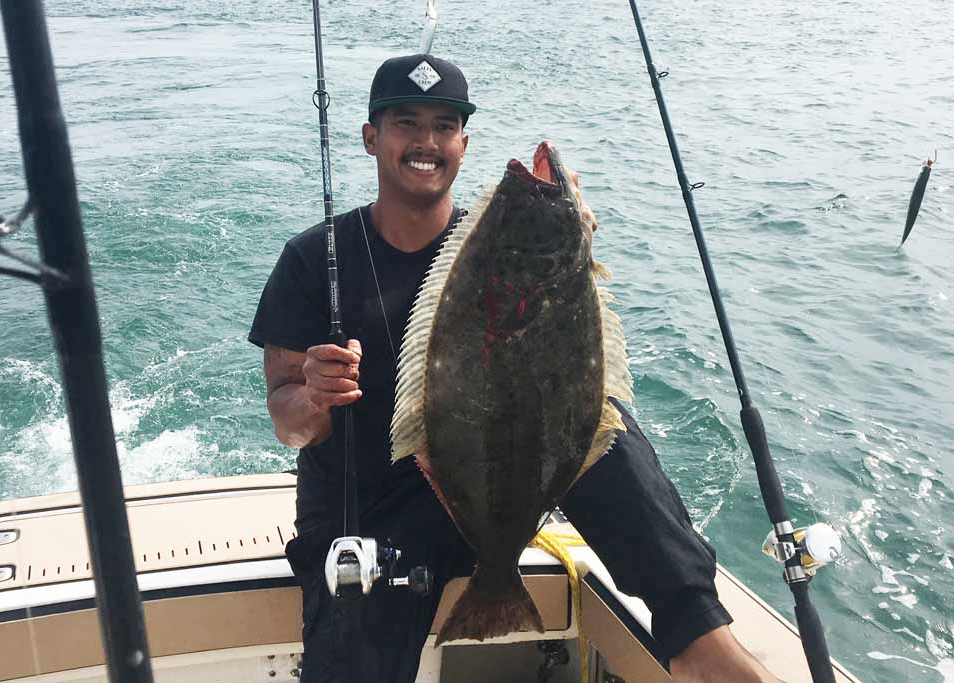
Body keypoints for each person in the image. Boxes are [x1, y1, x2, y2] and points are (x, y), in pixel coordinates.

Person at [250, 53, 782, 683]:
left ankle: (701, 642)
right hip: (372, 505)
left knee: (605, 429)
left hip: (500, 480)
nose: (426, 141)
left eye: (445, 125)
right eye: (406, 123)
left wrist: (577, 256)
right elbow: (290, 428)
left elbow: (571, 370)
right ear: (372, 137)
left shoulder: (503, 243)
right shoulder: (314, 260)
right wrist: (311, 396)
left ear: (464, 144)